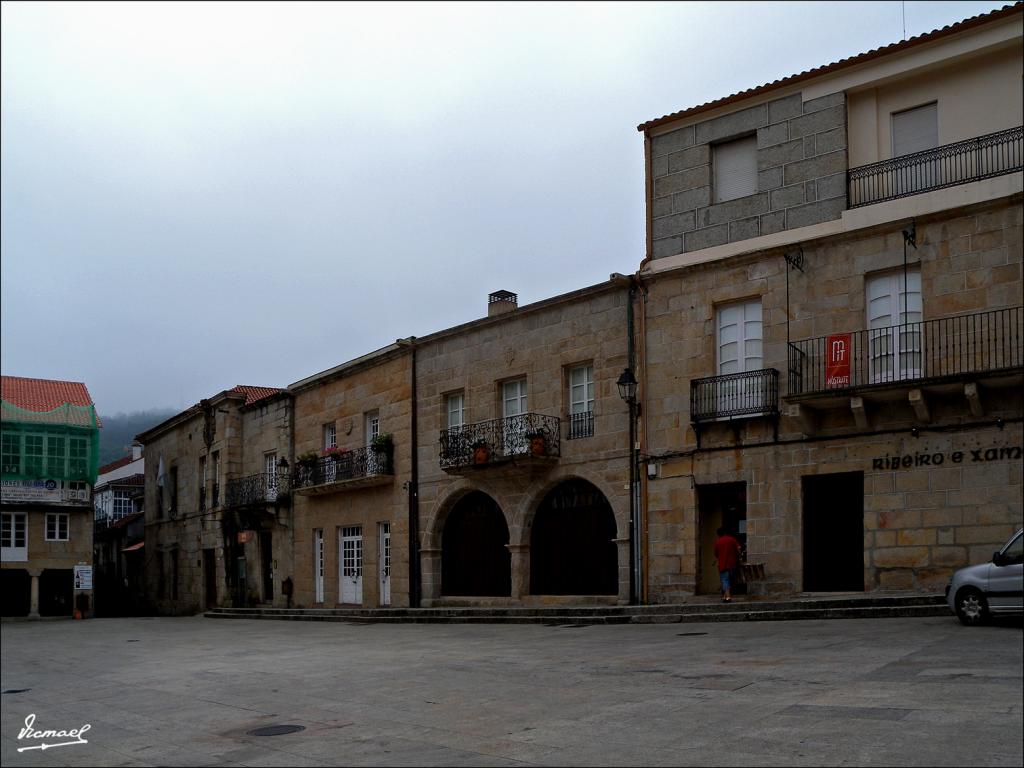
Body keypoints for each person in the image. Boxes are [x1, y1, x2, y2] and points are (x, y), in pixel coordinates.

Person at [714, 526, 742, 603]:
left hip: (723, 564)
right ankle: (725, 596)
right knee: (730, 580)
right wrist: (739, 557)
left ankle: (728, 597)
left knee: (725, 580)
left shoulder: (718, 541)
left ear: (718, 534)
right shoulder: (732, 539)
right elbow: (739, 548)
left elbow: (716, 553)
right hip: (733, 564)